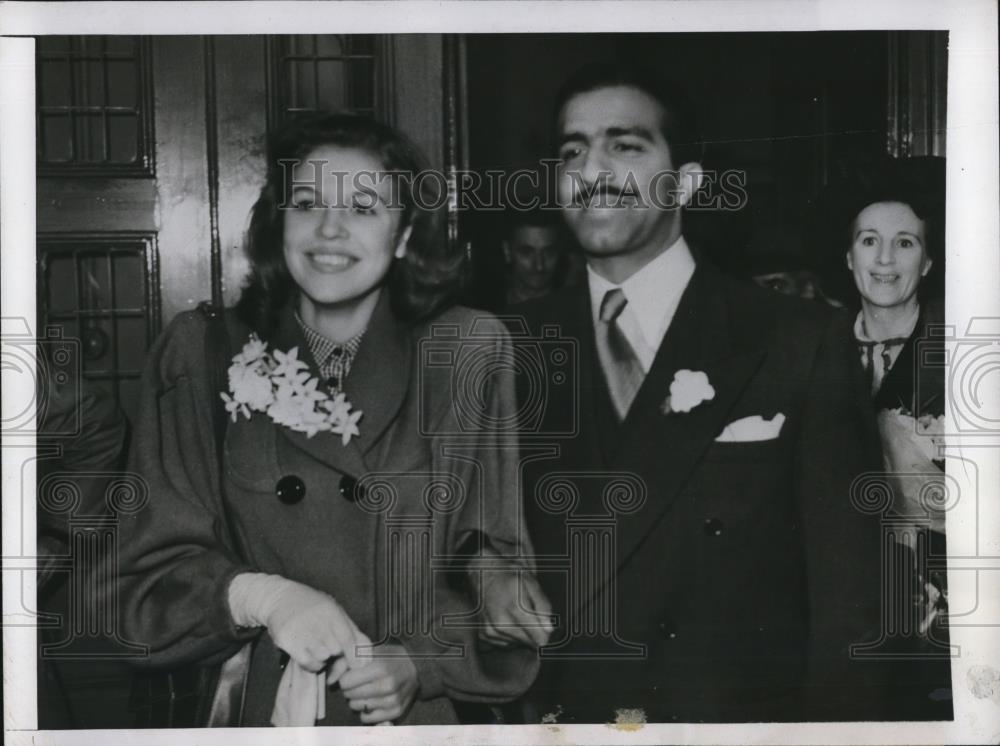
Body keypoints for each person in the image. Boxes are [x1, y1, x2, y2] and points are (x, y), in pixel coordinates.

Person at [113, 112, 540, 726]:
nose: (330, 230)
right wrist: (265, 599)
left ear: (403, 235)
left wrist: (421, 661)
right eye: (307, 202)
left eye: (364, 208)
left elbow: (496, 563)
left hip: (414, 718)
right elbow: (140, 586)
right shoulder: (202, 352)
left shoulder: (466, 349)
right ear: (278, 221)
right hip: (266, 710)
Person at [502, 61, 892, 723]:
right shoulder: (511, 347)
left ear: (686, 181)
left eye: (625, 146)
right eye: (572, 151)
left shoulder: (799, 341)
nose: (592, 169)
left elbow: (849, 606)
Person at [840, 157, 951, 719]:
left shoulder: (963, 354)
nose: (884, 259)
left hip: (949, 596)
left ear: (928, 261)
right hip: (850, 591)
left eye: (904, 243)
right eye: (869, 240)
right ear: (848, 256)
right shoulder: (815, 350)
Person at [501, 210, 572, 306]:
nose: (539, 266)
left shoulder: (575, 308)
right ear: (507, 252)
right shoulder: (486, 310)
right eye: (526, 252)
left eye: (548, 253)